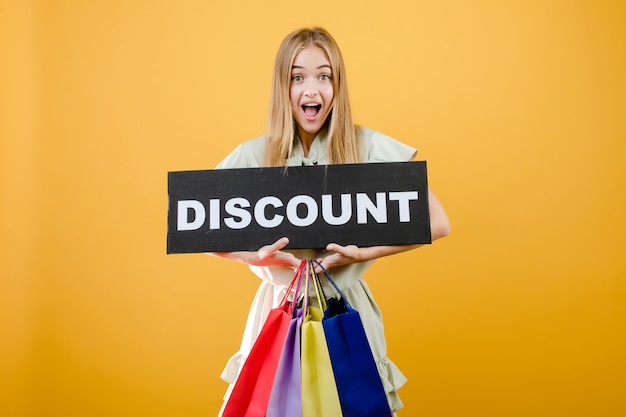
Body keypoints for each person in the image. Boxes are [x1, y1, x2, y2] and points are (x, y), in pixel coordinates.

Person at [211, 27, 450, 415]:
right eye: (297, 77)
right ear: (282, 86)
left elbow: (437, 221)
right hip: (278, 313)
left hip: (346, 311)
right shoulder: (255, 155)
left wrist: (361, 254)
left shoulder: (365, 146)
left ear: (337, 85)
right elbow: (197, 228)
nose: (312, 90)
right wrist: (253, 257)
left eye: (324, 76)